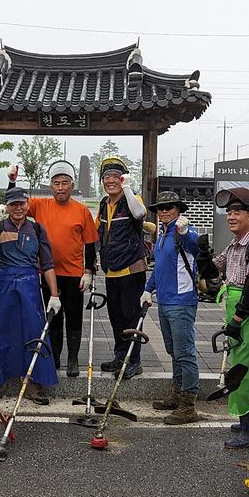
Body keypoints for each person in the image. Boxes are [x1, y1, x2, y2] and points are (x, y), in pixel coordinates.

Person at [196, 186, 249, 449]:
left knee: (242, 370)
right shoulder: (233, 247)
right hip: (240, 314)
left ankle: (248, 432)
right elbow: (212, 273)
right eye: (229, 212)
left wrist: (237, 321)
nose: (231, 216)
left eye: (238, 211)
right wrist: (203, 257)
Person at [6, 160, 98, 377]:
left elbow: (90, 243)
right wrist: (12, 182)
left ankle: (73, 359)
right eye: (56, 183)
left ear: (72, 185)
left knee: (74, 317)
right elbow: (16, 203)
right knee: (53, 317)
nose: (60, 187)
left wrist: (88, 272)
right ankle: (55, 358)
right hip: (48, 274)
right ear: (50, 185)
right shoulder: (40, 205)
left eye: (65, 182)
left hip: (74, 273)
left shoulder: (82, 210)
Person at [0, 186, 61, 405]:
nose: (18, 207)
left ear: (27, 204)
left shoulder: (36, 228)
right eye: (13, 204)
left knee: (34, 331)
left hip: (31, 284)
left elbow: (48, 263)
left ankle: (35, 384)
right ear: (7, 206)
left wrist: (54, 294)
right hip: (4, 284)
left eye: (21, 203)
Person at [143, 191, 201, 424]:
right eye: (161, 208)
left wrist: (185, 232)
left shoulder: (183, 231)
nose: (164, 211)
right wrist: (148, 289)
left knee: (185, 352)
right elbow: (159, 268)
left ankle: (189, 405)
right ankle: (177, 395)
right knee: (174, 351)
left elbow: (196, 246)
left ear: (178, 209)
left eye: (170, 207)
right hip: (165, 301)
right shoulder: (163, 234)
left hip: (182, 302)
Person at [96, 157, 149, 380]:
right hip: (111, 270)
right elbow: (97, 230)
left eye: (115, 177)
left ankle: (134, 361)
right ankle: (120, 355)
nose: (110, 181)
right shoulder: (103, 203)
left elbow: (139, 214)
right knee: (115, 315)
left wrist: (127, 187)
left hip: (131, 269)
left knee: (131, 316)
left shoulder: (132, 198)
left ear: (123, 178)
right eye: (106, 177)